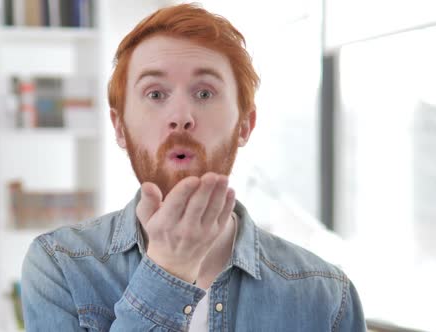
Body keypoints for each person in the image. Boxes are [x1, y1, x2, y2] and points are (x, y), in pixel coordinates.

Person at [21, 3, 366, 331]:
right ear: (119, 128)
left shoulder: (328, 298)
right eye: (156, 94)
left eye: (204, 94)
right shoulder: (60, 265)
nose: (181, 118)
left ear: (244, 125)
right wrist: (168, 270)